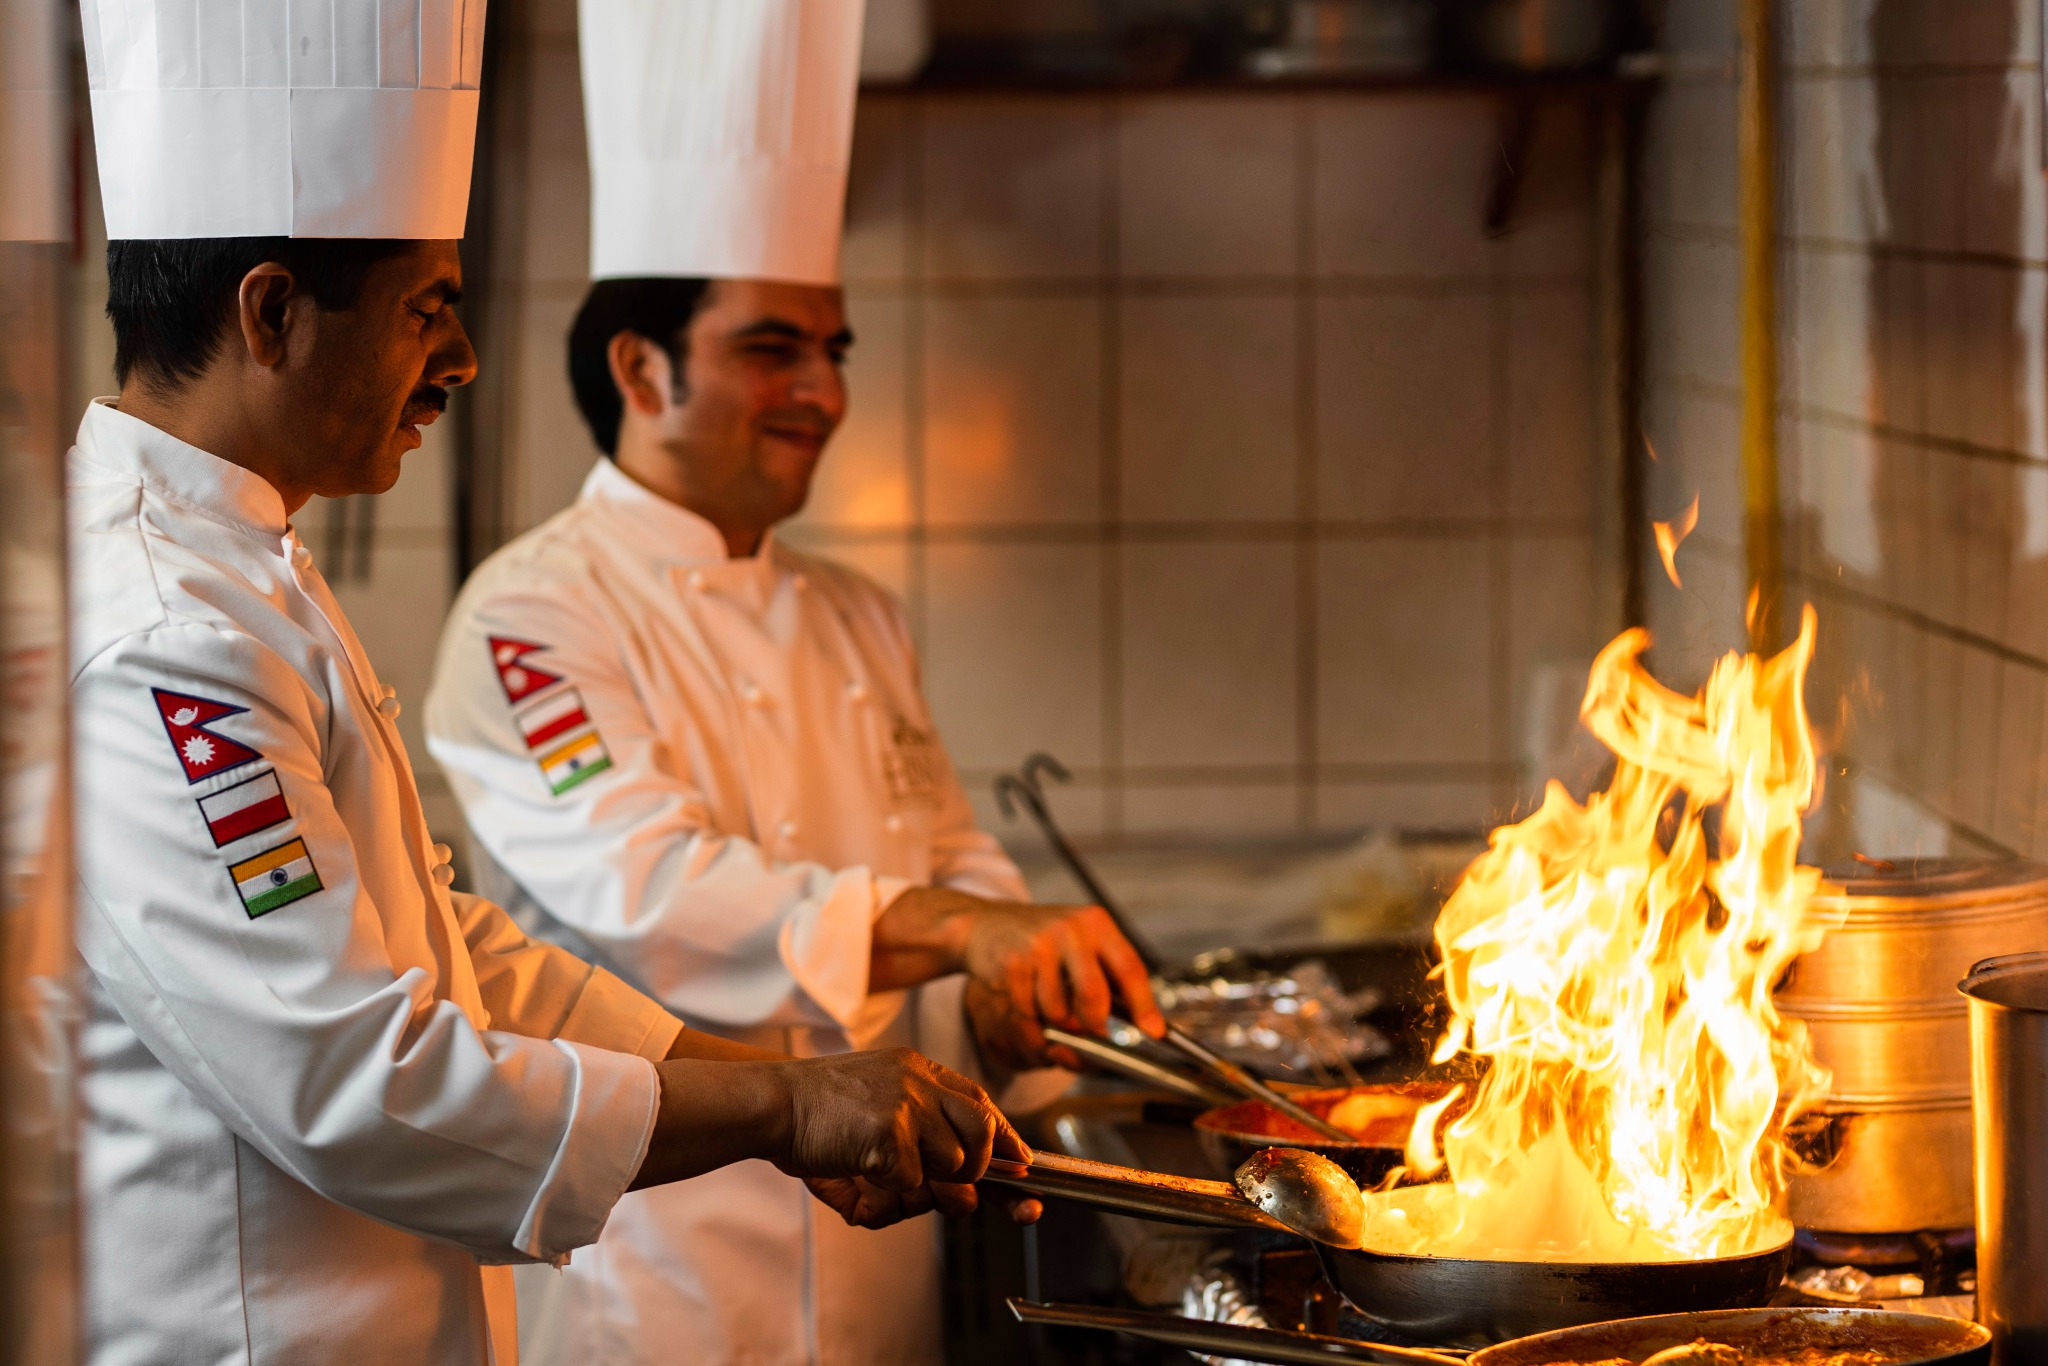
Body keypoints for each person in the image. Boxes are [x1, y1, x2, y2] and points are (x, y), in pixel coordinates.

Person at [69, 3, 1032, 1361]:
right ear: (273, 313)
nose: (461, 359)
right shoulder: (163, 633)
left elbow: (452, 951)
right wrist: (781, 1108)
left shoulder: (248, 569)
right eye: (429, 311)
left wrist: (789, 1082)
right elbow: (354, 1078)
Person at [422, 2, 1165, 1362]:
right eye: (774, 347)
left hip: (879, 1277)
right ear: (640, 368)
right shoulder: (528, 616)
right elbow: (651, 892)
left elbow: (948, 856)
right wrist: (960, 927)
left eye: (834, 350)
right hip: (652, 1290)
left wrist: (1007, 980)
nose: (823, 388)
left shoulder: (855, 612)